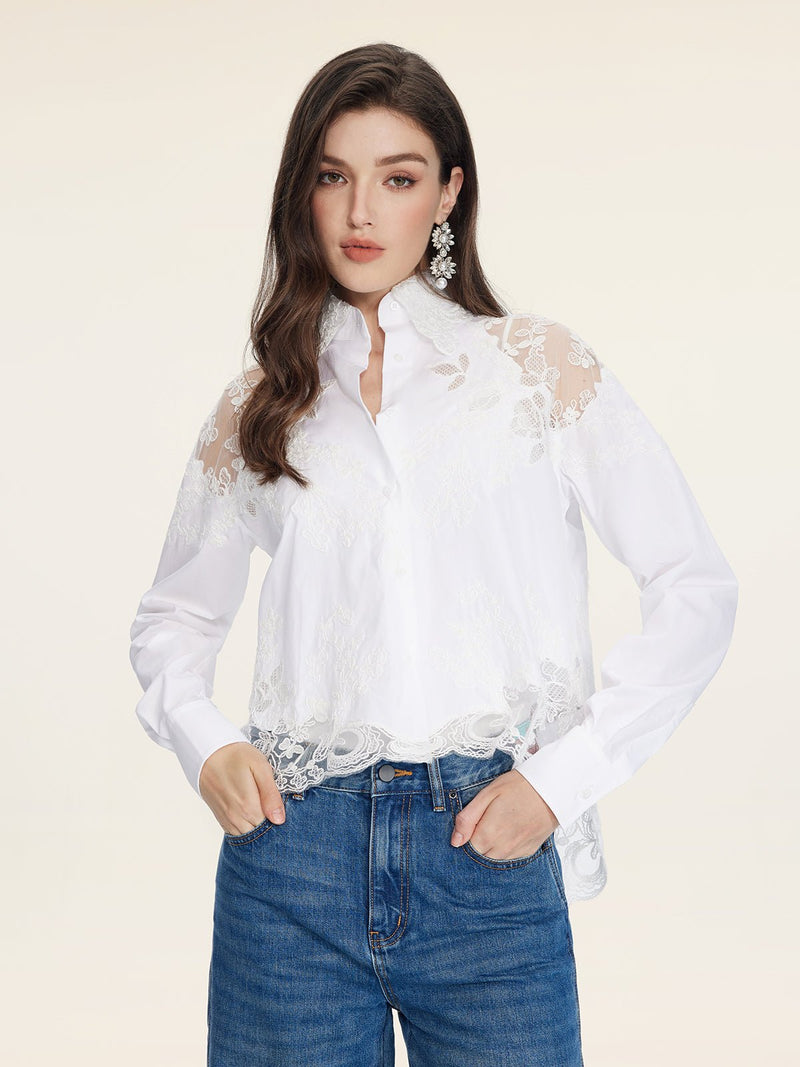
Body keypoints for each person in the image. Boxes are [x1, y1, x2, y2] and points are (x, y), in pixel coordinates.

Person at [128, 42, 738, 1067]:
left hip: (487, 854)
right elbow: (173, 617)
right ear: (303, 195)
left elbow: (694, 586)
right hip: (292, 863)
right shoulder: (260, 404)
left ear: (448, 193)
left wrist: (561, 778)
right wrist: (204, 739)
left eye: (397, 178)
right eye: (333, 176)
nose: (361, 213)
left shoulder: (535, 372)